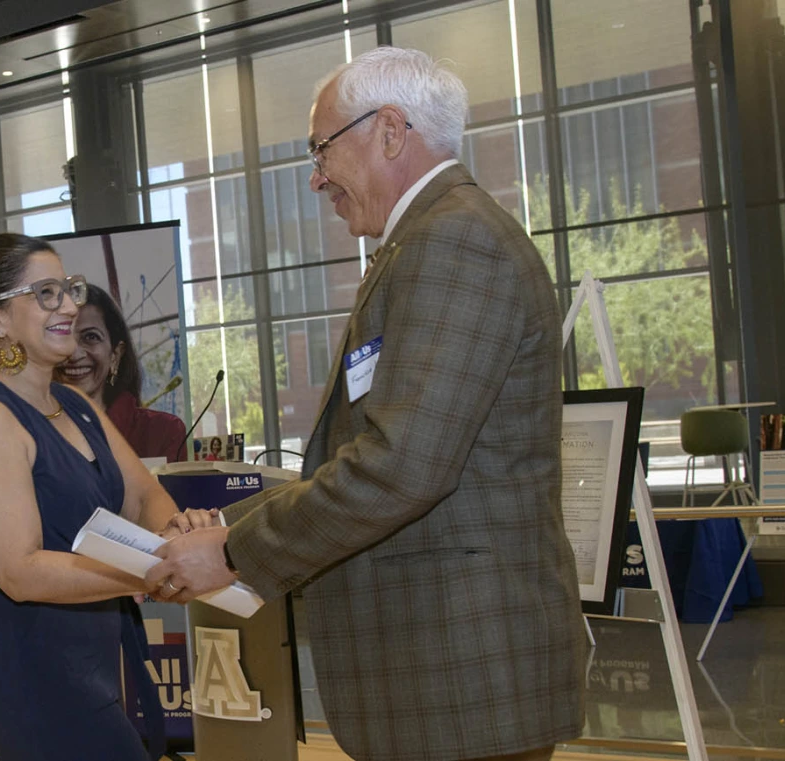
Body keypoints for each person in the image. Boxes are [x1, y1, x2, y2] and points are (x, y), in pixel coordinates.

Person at [147, 47, 586, 761]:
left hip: (458, 680)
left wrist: (230, 550)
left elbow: (400, 466)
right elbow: (377, 456)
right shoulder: (425, 241)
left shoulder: (455, 241)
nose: (318, 178)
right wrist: (225, 526)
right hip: (441, 683)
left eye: (322, 149)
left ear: (390, 130)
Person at [0, 233, 212, 761]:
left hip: (92, 665)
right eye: (47, 294)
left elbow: (143, 495)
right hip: (33, 675)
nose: (70, 306)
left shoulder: (73, 403)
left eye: (70, 289)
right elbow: (21, 569)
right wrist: (152, 570)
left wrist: (178, 534)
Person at [57, 284, 187, 462]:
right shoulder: (28, 432)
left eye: (91, 337)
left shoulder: (162, 433)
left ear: (115, 355)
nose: (75, 353)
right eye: (63, 337)